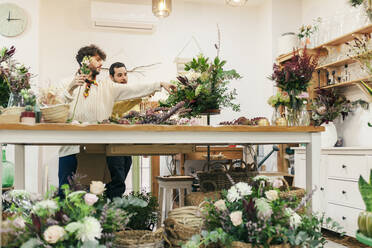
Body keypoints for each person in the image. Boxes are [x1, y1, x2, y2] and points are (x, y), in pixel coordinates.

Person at [59, 45, 175, 198]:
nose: (101, 64)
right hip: (70, 148)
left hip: (98, 150)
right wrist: (71, 87)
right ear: (85, 60)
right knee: (65, 192)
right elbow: (56, 105)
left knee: (94, 195)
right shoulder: (66, 83)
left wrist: (160, 84)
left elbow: (134, 89)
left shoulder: (107, 87)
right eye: (98, 59)